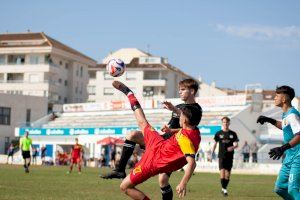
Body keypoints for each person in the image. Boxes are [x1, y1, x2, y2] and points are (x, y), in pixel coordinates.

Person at [102, 78, 202, 200]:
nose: (178, 116)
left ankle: (129, 94)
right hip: (162, 144)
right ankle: (120, 169)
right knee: (137, 128)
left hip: (155, 158)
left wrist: (183, 183)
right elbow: (186, 131)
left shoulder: (193, 117)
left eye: (180, 115)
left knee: (127, 186)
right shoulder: (194, 131)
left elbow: (192, 162)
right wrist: (172, 130)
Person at [257, 85, 300, 200]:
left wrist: (282, 148)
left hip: (298, 157)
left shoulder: (292, 114)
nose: (274, 98)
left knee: (293, 189)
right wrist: (269, 120)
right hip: (289, 157)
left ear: (284, 99)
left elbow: (299, 135)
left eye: (277, 96)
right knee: (279, 188)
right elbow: (284, 126)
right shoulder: (286, 114)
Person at [212, 117, 239, 196]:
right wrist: (212, 153)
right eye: (224, 122)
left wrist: (233, 147)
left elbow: (237, 144)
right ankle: (224, 189)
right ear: (222, 123)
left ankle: (224, 188)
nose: (225, 123)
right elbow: (215, 144)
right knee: (222, 172)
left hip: (230, 156)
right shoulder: (218, 133)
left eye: (227, 122)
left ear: (229, 123)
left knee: (228, 175)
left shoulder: (233, 134)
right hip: (221, 156)